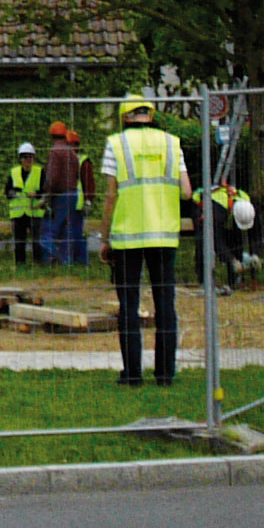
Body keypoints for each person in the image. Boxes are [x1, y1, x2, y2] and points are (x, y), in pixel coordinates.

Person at [91, 94, 192, 386]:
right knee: (166, 305)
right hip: (164, 236)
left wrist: (105, 237)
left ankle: (132, 374)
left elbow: (111, 195)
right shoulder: (171, 143)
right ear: (151, 114)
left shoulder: (116, 144)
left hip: (127, 238)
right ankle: (165, 374)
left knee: (129, 306)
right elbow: (186, 190)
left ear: (124, 117)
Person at [41, 123, 84, 266]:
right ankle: (67, 261)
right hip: (73, 194)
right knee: (67, 230)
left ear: (51, 136)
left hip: (60, 195)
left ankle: (52, 256)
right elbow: (77, 175)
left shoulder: (55, 151)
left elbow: (52, 177)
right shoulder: (72, 153)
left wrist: (46, 195)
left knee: (50, 229)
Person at [6, 142, 46, 265]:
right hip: (18, 214)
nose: (27, 160)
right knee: (19, 242)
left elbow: (46, 191)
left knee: (37, 242)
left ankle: (38, 264)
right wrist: (12, 193)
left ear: (34, 158)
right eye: (24, 157)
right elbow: (7, 191)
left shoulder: (40, 171)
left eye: (30, 157)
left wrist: (37, 194)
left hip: (35, 212)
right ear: (20, 159)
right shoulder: (14, 172)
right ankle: (20, 265)